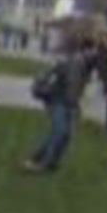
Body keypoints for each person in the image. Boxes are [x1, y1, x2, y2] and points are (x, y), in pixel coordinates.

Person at [22, 33, 91, 175]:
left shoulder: (76, 61)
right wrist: (74, 107)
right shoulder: (75, 63)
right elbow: (72, 86)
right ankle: (43, 163)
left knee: (63, 134)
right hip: (57, 100)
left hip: (61, 100)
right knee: (60, 132)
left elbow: (75, 87)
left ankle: (43, 160)